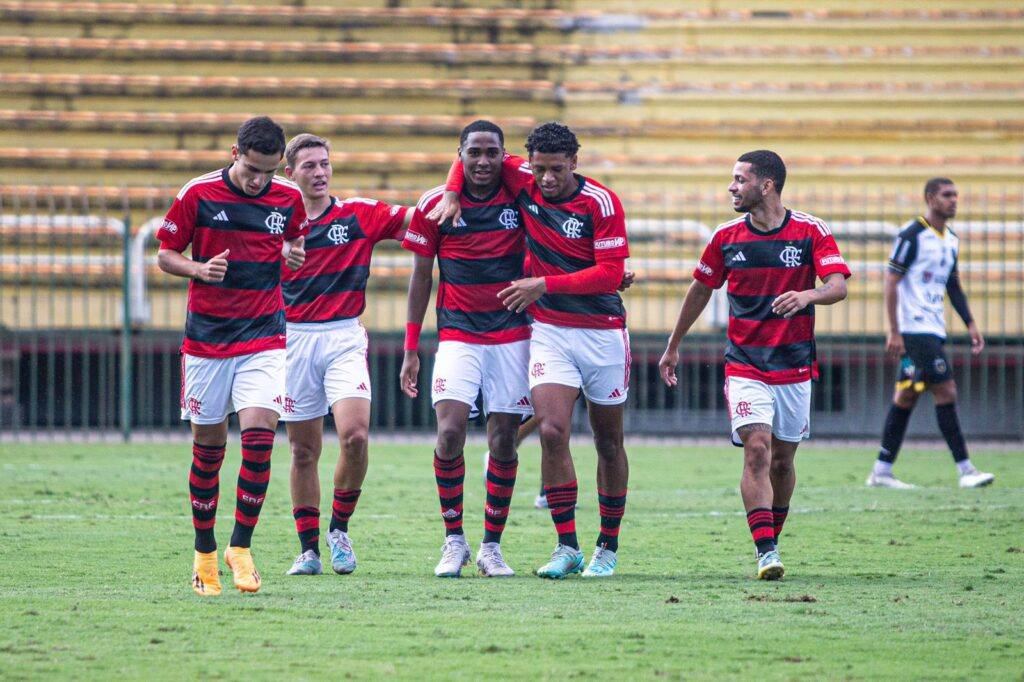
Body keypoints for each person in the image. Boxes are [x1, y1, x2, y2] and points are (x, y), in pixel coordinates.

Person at [431, 121, 632, 579]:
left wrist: (545, 283)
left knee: (608, 441)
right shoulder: (520, 175)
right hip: (549, 332)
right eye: (538, 169)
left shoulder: (601, 201)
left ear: (574, 163)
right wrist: (450, 191)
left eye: (556, 170)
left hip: (602, 330)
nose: (545, 179)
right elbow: (469, 156)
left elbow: (609, 273)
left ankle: (608, 544)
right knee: (553, 432)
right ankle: (567, 546)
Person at [658, 150, 850, 580]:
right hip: (744, 364)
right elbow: (700, 289)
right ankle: (766, 552)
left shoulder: (809, 230)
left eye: (739, 179)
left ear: (766, 185)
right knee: (757, 449)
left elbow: (837, 286)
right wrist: (673, 346)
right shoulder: (726, 237)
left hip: (795, 365)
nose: (731, 187)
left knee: (782, 461)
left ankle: (772, 540)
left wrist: (808, 295)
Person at [156, 116, 308, 596]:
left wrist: (293, 253)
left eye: (268, 171)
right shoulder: (198, 193)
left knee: (261, 438)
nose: (259, 180)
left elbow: (294, 237)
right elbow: (165, 253)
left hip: (263, 335)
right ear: (234, 152)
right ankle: (204, 553)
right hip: (206, 342)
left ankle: (240, 548)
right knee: (209, 451)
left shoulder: (289, 197)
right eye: (251, 169)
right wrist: (198, 269)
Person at [400, 120, 533, 578]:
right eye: (472, 153)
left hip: (512, 335)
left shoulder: (521, 192)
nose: (482, 161)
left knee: (503, 440)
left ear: (503, 155)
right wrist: (411, 347)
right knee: (450, 433)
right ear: (459, 154)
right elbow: (421, 276)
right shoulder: (433, 205)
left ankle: (491, 546)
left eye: (491, 152)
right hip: (457, 332)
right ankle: (454, 539)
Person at [278, 133, 413, 577]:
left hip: (343, 337)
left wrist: (453, 192)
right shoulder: (273, 225)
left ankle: (338, 529)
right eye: (309, 165)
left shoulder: (358, 214)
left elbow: (420, 219)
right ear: (289, 173)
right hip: (292, 340)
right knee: (303, 450)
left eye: (325, 164)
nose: (320, 172)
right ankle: (309, 549)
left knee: (355, 436)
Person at [866, 178, 993, 489]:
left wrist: (970, 323)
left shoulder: (951, 238)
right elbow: (891, 280)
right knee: (946, 391)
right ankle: (966, 470)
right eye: (946, 195)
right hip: (914, 328)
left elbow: (952, 284)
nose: (953, 200)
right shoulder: (913, 234)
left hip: (933, 328)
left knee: (906, 396)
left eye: (955, 195)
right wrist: (894, 330)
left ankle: (881, 470)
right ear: (930, 198)